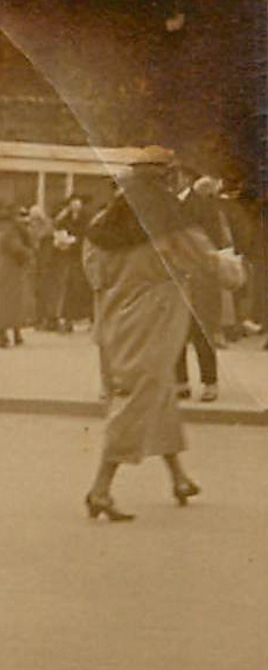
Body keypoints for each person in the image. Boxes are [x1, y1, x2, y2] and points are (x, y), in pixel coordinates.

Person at [81, 148, 233, 520]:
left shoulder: (104, 223)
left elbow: (93, 272)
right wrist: (237, 268)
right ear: (168, 178)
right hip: (156, 319)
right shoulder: (171, 223)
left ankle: (179, 478)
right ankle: (100, 489)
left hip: (116, 316)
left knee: (158, 393)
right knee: (140, 397)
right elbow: (213, 265)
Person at [175, 172, 231, 401]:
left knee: (202, 331)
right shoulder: (174, 203)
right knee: (178, 330)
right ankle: (182, 381)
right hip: (180, 276)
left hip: (200, 277)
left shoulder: (204, 205)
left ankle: (208, 381)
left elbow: (215, 241)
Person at [0, 202, 34, 348]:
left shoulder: (0, 230)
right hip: (9, 270)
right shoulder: (10, 232)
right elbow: (17, 249)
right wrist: (29, 253)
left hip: (0, 268)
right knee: (6, 304)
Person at [52, 194, 92, 330]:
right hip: (68, 255)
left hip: (81, 255)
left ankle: (85, 317)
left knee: (81, 286)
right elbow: (58, 228)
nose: (74, 206)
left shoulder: (87, 218)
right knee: (69, 287)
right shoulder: (65, 217)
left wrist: (75, 241)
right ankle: (68, 319)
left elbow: (88, 235)